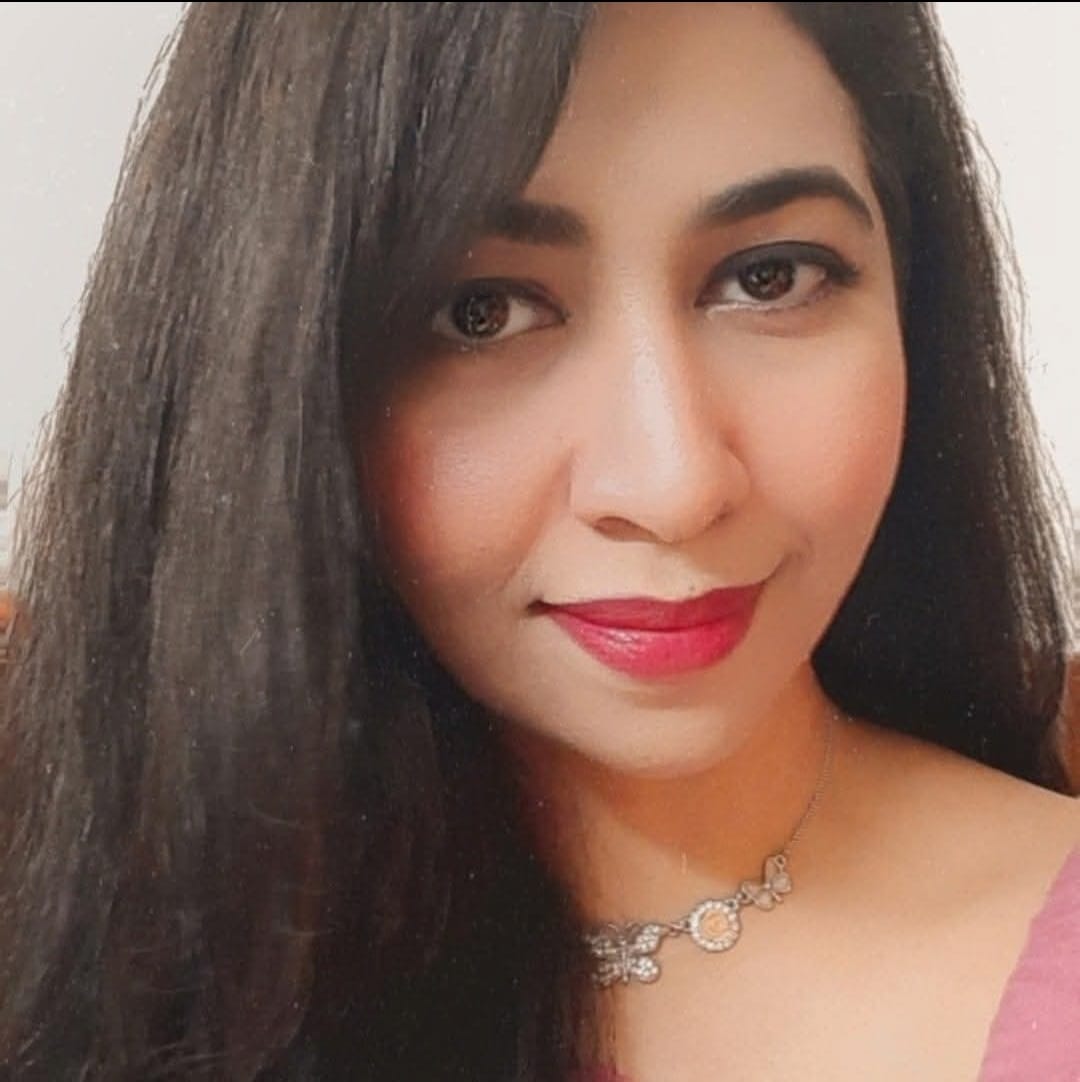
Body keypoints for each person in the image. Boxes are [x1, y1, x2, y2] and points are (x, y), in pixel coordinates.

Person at [0, 3, 1077, 1079]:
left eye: (769, 277)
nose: (672, 486)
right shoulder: (109, 958)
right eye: (483, 311)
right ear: (274, 373)